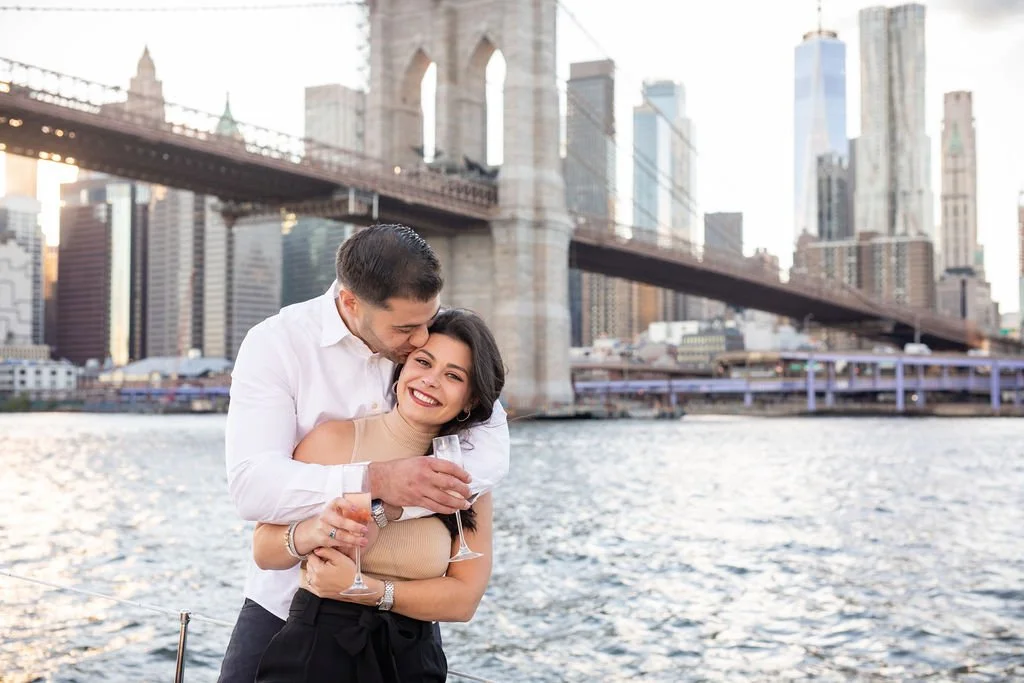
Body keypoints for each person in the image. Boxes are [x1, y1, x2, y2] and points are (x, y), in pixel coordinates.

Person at [218, 224, 510, 683]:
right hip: (288, 610)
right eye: (407, 331)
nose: (420, 341)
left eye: (427, 323)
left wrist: (389, 509)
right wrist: (375, 481)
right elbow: (253, 487)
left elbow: (489, 454)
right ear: (351, 302)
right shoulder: (276, 344)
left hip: (405, 636)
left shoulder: (435, 337)